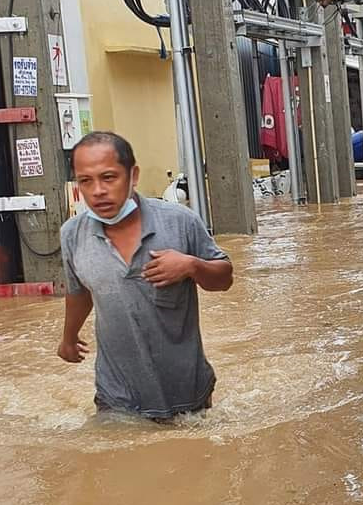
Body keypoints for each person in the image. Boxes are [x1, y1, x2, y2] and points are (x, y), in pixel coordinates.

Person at [57, 131, 233, 420]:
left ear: (133, 175)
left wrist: (191, 266)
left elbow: (225, 278)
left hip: (187, 395)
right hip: (116, 396)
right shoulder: (72, 234)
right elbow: (79, 292)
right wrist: (68, 338)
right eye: (85, 181)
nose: (98, 191)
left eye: (109, 178)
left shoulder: (180, 222)